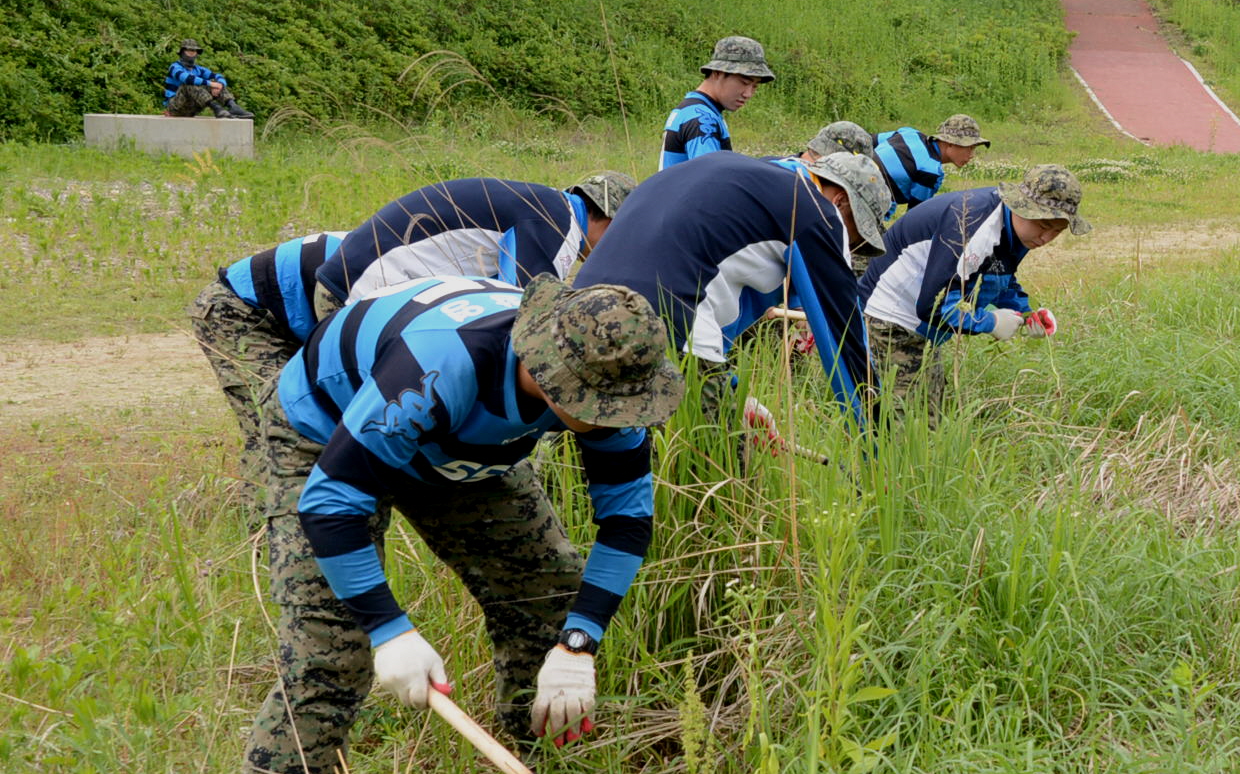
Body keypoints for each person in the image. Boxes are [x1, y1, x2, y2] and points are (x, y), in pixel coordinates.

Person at [237, 275, 685, 774]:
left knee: (548, 593)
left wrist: (578, 645)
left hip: (460, 451)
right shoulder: (440, 364)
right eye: (605, 408)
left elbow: (627, 519)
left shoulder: (610, 381)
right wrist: (390, 631)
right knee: (332, 649)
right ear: (553, 377)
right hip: (326, 435)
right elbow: (330, 503)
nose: (618, 419)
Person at [579, 150, 892, 426]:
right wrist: (875, 436)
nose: (849, 247)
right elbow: (844, 337)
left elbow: (706, 279)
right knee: (720, 457)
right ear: (840, 201)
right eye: (855, 236)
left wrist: (733, 391)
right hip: (665, 327)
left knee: (593, 443)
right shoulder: (817, 211)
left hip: (578, 310)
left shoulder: (740, 176)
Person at [858, 164, 1085, 414]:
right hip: (892, 317)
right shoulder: (972, 222)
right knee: (909, 418)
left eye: (1057, 231)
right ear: (1021, 206)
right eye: (1043, 225)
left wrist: (1028, 313)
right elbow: (934, 306)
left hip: (922, 323)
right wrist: (990, 322)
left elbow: (998, 275)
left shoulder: (1015, 229)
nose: (1046, 238)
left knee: (932, 410)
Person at [315, 172, 634, 316]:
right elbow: (522, 311)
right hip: (362, 296)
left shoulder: (545, 204)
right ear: (611, 221)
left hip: (345, 278)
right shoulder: (560, 224)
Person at [190, 231, 348, 493]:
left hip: (291, 317)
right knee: (277, 423)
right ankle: (258, 514)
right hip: (237, 311)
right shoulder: (375, 273)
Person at [659, 37, 775, 171]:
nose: (748, 94)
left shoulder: (690, 110)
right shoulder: (702, 120)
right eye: (744, 83)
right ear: (717, 73)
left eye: (755, 86)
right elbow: (709, 177)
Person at [872, 115, 991, 209]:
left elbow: (868, 141)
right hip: (868, 199)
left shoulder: (909, 133)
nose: (972, 155)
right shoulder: (930, 171)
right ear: (950, 143)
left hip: (861, 171)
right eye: (969, 147)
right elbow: (915, 215)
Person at [162, 39, 251, 119]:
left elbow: (218, 76)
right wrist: (210, 84)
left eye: (194, 51)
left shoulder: (198, 69)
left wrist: (219, 84)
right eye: (189, 51)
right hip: (175, 106)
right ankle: (216, 108)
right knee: (190, 84)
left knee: (216, 83)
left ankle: (233, 106)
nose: (192, 53)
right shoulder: (175, 67)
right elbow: (186, 78)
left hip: (192, 108)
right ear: (182, 52)